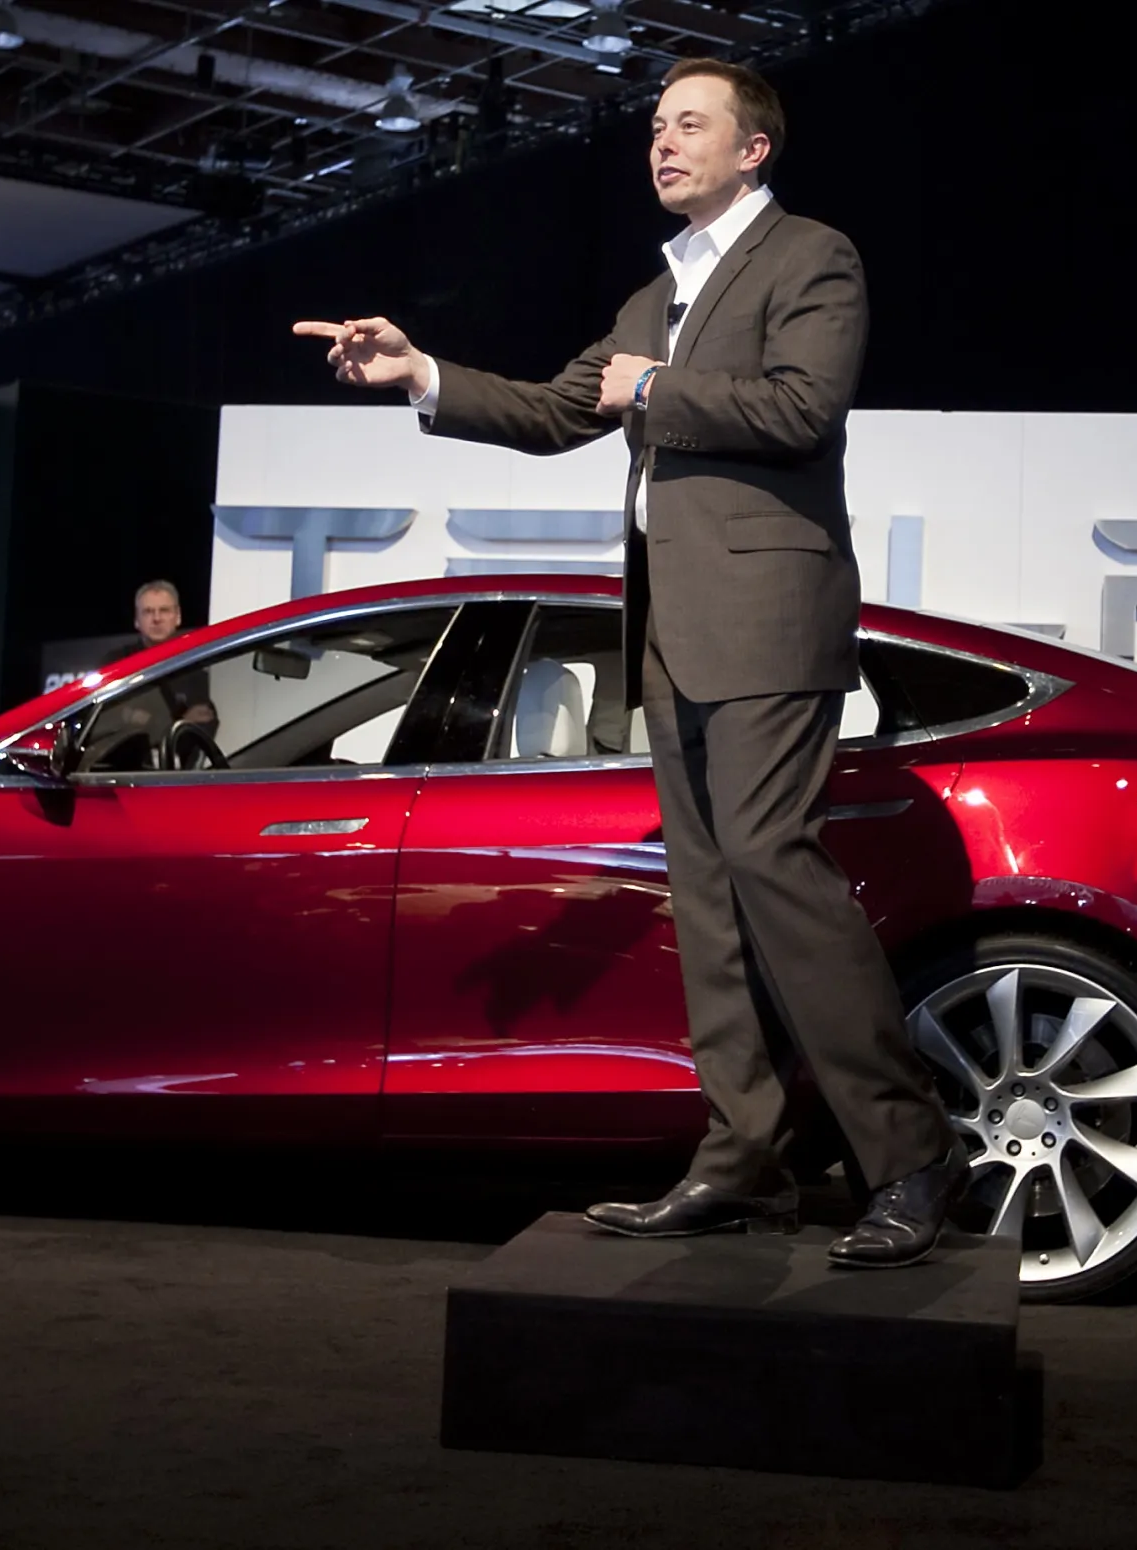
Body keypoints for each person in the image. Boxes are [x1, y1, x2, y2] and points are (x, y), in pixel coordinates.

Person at [294, 59, 963, 1267]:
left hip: (768, 617)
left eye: (689, 124)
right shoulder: (654, 294)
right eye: (655, 125)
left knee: (769, 863)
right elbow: (557, 411)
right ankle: (742, 1157)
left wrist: (655, 386)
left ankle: (908, 1150)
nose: (662, 142)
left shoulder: (810, 256)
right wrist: (420, 372)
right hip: (671, 630)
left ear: (752, 148)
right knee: (705, 896)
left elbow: (802, 407)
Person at [94, 580, 216, 749]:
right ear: (137, 620)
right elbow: (103, 720)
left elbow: (204, 722)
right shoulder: (116, 664)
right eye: (148, 612)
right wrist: (179, 723)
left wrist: (143, 720)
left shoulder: (194, 667)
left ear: (178, 616)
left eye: (164, 610)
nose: (157, 619)